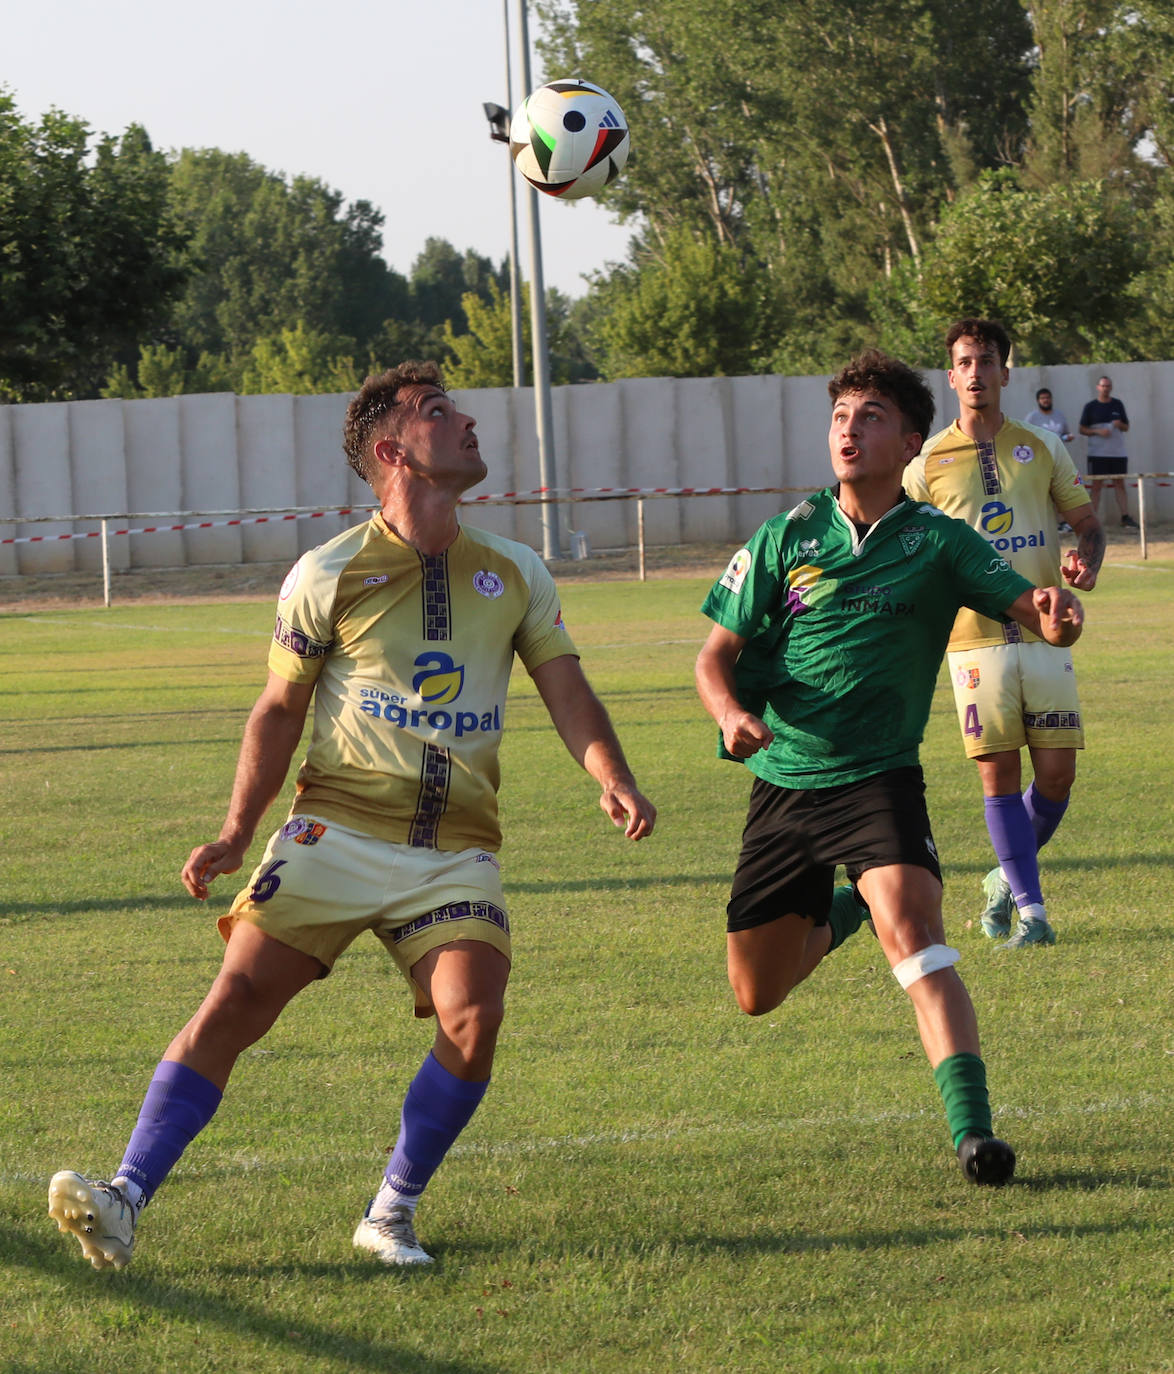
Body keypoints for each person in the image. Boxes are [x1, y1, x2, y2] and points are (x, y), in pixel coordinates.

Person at [48, 360, 656, 1271]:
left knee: (473, 1016)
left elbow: (567, 689)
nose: (468, 424)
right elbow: (277, 711)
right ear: (392, 451)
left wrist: (610, 770)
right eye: (440, 414)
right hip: (335, 831)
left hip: (455, 850)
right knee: (236, 1002)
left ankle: (390, 1213)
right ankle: (125, 1197)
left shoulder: (515, 571)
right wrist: (234, 830)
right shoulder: (327, 572)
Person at [695, 349, 1084, 1186]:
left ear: (909, 441)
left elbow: (1027, 606)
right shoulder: (787, 535)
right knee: (756, 993)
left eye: (869, 416)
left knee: (918, 928)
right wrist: (731, 715)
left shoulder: (938, 541)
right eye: (840, 416)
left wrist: (1054, 616)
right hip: (786, 781)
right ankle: (844, 912)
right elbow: (713, 658)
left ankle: (974, 1134)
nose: (848, 429)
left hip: (879, 779)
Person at [904, 319, 1104, 950]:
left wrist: (1086, 559)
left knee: (1057, 776)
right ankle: (1032, 912)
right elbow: (900, 539)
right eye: (963, 362)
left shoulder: (1042, 446)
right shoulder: (927, 462)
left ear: (1004, 371)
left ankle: (1003, 877)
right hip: (973, 640)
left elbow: (1086, 521)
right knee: (998, 776)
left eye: (986, 360)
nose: (975, 372)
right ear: (951, 376)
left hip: (1046, 633)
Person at [1079, 375, 1137, 528]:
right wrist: (1098, 431)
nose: (1105, 389)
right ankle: (1092, 520)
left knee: (1120, 484)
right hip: (1097, 455)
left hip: (1118, 454)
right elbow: (1082, 429)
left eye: (1108, 386)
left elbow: (1127, 427)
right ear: (1098, 387)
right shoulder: (1090, 406)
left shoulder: (1118, 404)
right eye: (1103, 386)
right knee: (1096, 486)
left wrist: (1119, 425)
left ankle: (1125, 517)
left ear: (1111, 387)